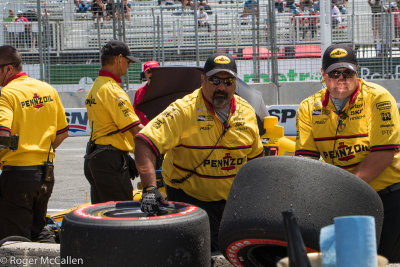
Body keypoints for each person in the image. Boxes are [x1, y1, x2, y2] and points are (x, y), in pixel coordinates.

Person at [134, 53, 264, 251]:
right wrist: (150, 188)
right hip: (188, 195)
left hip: (230, 200)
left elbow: (256, 159)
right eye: (215, 80)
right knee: (194, 252)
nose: (221, 87)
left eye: (228, 81)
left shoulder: (247, 113)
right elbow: (144, 142)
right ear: (203, 80)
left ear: (235, 83)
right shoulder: (183, 110)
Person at [295, 44, 400, 263]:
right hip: (346, 200)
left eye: (348, 73)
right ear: (323, 75)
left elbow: (384, 155)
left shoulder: (379, 98)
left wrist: (342, 190)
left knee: (387, 261)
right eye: (334, 73)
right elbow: (306, 161)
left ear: (357, 72)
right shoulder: (308, 108)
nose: (341, 78)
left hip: (388, 197)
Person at [0, 45, 69, 243]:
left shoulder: (8, 94)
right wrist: (38, 149)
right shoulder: (47, 89)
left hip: (17, 175)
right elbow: (63, 133)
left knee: (13, 238)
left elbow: (2, 137)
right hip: (46, 174)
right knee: (38, 230)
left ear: (8, 69)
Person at [84, 40, 143, 204]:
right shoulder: (113, 90)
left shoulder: (96, 86)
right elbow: (136, 129)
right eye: (128, 61)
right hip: (109, 160)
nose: (129, 66)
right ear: (119, 59)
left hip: (96, 157)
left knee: (102, 215)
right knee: (123, 214)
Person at [133, 60, 159, 126]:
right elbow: (135, 114)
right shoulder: (139, 92)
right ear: (144, 74)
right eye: (149, 72)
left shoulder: (166, 89)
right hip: (145, 132)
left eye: (154, 71)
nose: (152, 74)